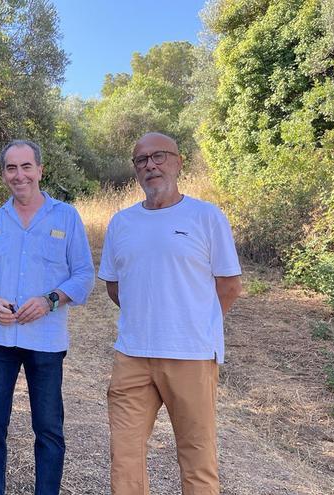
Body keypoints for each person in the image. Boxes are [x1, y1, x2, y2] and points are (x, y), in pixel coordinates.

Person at [98, 132, 242, 495]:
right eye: (141, 160)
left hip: (191, 354)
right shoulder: (121, 223)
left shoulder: (207, 217)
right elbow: (116, 287)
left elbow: (229, 286)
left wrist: (191, 321)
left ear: (178, 162)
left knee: (197, 458)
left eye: (159, 156)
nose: (151, 165)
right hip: (132, 356)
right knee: (125, 456)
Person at [0, 139, 95, 495]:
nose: (19, 175)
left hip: (46, 341)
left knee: (49, 428)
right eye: (11, 168)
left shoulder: (66, 217)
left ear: (40, 169)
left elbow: (84, 274)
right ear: (3, 174)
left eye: (26, 167)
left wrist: (51, 299)